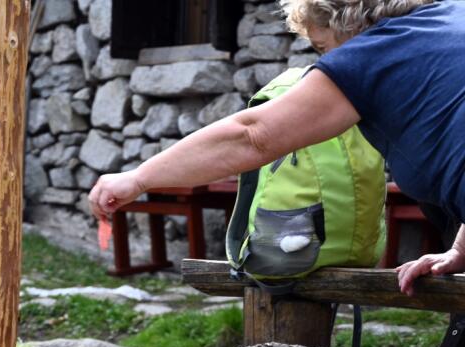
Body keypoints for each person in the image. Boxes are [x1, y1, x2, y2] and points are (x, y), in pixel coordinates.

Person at [88, 0, 465, 296]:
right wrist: (460, 250)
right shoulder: (454, 15)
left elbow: (253, 136)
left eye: (322, 47)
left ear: (347, 24)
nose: (325, 61)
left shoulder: (369, 54)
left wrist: (138, 178)